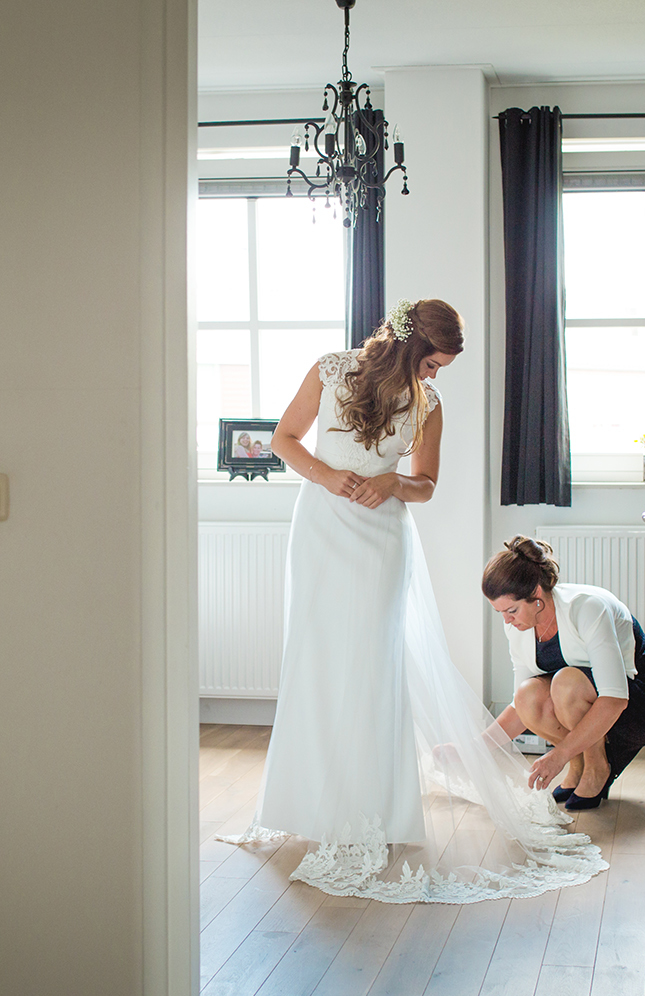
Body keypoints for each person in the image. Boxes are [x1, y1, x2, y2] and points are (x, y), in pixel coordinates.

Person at [220, 300, 607, 904]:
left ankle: (376, 807)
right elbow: (284, 440)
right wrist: (327, 477)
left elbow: (425, 484)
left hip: (381, 537)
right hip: (320, 528)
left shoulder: (429, 403)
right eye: (430, 363)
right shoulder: (330, 370)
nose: (433, 375)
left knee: (375, 665)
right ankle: (307, 803)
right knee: (315, 659)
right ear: (406, 347)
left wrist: (391, 482)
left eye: (440, 368)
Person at [481, 537, 645, 810]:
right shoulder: (517, 627)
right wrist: (474, 748)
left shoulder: (586, 608)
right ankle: (579, 765)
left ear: (536, 594)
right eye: (500, 612)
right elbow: (520, 708)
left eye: (511, 610)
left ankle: (596, 767)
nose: (507, 620)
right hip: (594, 702)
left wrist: (558, 755)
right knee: (527, 695)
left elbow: (615, 698)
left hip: (641, 702)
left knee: (565, 683)